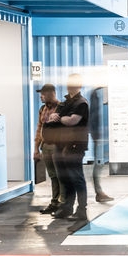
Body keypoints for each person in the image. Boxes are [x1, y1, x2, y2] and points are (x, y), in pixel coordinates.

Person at [45, 73, 90, 223]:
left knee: (76, 178)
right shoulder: (64, 103)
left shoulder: (82, 103)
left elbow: (72, 121)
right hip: (60, 144)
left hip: (74, 146)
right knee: (65, 178)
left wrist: (61, 118)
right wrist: (55, 117)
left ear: (79, 85)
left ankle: (82, 210)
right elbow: (52, 117)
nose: (70, 85)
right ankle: (66, 208)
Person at [33, 84, 62, 215]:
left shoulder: (62, 108)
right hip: (45, 147)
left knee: (61, 176)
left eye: (43, 94)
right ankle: (55, 202)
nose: (41, 96)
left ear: (51, 94)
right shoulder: (42, 109)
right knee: (53, 176)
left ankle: (63, 204)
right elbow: (39, 129)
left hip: (58, 147)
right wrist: (36, 149)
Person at [88, 84, 113, 203]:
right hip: (99, 137)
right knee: (99, 164)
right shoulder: (97, 94)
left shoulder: (98, 94)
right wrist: (96, 137)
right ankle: (99, 192)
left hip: (101, 136)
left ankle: (99, 192)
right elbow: (93, 118)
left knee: (100, 164)